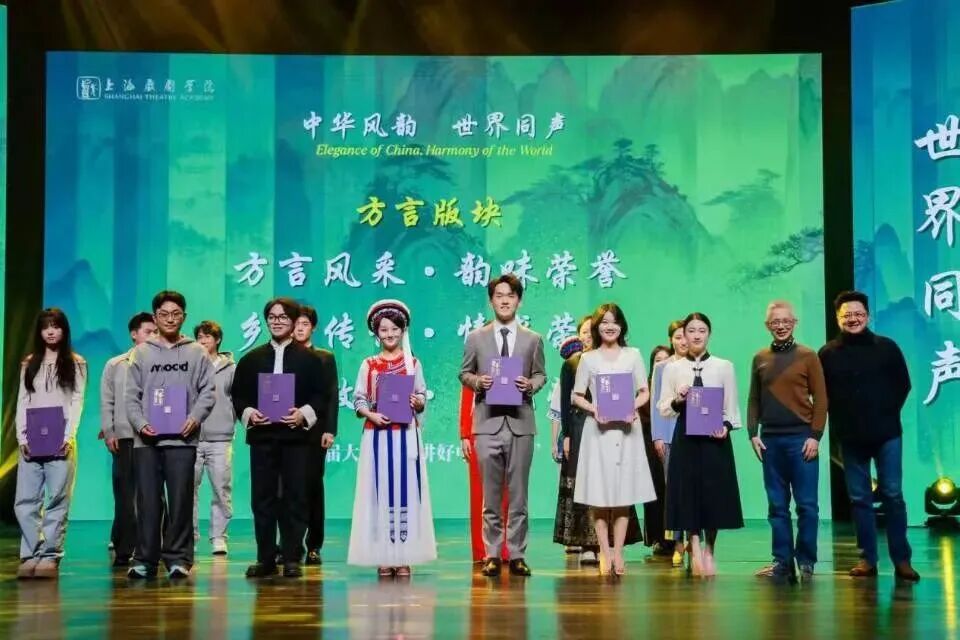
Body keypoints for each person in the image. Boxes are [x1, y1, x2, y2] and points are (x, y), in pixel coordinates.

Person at [818, 291, 919, 582]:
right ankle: (867, 559)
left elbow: (903, 385)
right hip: (850, 437)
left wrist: (886, 412)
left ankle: (902, 560)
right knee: (860, 498)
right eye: (847, 315)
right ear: (838, 318)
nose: (853, 319)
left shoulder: (887, 347)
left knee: (893, 495)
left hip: (887, 434)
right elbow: (822, 394)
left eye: (858, 314)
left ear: (868, 315)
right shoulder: (827, 354)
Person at [232, 297, 329, 579]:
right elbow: (238, 395)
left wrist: (303, 413)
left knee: (295, 497)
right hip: (262, 438)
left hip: (296, 439)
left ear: (294, 321)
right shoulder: (251, 359)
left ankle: (291, 557)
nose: (277, 321)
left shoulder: (311, 359)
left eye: (283, 317)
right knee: (262, 498)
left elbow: (321, 396)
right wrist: (249, 412)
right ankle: (265, 558)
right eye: (272, 317)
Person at [459, 274, 546, 577]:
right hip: (487, 423)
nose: (505, 300)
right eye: (499, 295)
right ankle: (492, 554)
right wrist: (478, 382)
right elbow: (464, 372)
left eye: (510, 295)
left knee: (519, 495)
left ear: (519, 300)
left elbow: (541, 375)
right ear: (491, 300)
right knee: (491, 495)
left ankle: (518, 554)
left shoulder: (533, 339)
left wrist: (530, 385)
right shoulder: (476, 337)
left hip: (521, 423)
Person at [125, 290, 216, 580]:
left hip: (182, 440)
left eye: (176, 314)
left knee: (180, 501)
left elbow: (208, 391)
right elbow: (131, 396)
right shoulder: (141, 353)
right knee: (148, 503)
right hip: (147, 442)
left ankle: (179, 559)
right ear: (155, 318)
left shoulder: (196, 352)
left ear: (184, 317)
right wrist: (140, 424)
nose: (170, 319)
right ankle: (145, 559)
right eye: (163, 314)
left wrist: (195, 418)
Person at [347, 300, 436, 576]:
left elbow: (421, 395)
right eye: (384, 329)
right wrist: (370, 414)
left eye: (394, 329)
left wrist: (417, 401)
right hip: (377, 437)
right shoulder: (369, 365)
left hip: (406, 436)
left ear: (403, 331)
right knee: (379, 491)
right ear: (376, 333)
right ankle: (382, 555)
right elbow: (359, 399)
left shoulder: (412, 363)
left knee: (406, 493)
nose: (389, 334)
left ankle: (404, 554)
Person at [571, 303, 657, 576]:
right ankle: (604, 552)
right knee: (598, 494)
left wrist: (633, 406)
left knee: (623, 493)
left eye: (615, 322)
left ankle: (618, 551)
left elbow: (644, 391)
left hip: (626, 430)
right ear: (597, 327)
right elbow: (576, 395)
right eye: (605, 322)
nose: (610, 327)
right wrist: (594, 409)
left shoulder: (633, 355)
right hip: (598, 432)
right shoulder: (588, 358)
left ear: (622, 326)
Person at [658, 312, 743, 577]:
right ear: (683, 335)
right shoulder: (672, 368)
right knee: (688, 492)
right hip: (686, 436)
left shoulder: (723, 366)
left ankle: (709, 549)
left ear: (709, 334)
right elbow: (663, 407)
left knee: (713, 493)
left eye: (701, 330)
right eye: (691, 331)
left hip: (714, 438)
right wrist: (678, 400)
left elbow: (731, 408)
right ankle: (694, 545)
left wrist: (726, 427)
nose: (696, 335)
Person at [748, 301, 827, 581]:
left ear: (794, 323)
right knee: (777, 506)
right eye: (775, 322)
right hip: (770, 441)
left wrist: (815, 436)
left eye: (785, 321)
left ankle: (806, 560)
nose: (780, 326)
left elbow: (821, 399)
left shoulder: (808, 356)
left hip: (802, 439)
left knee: (807, 505)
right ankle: (782, 561)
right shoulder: (760, 358)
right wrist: (752, 433)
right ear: (767, 326)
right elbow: (754, 398)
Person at [15, 308, 87, 579]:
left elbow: (77, 401)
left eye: (56, 326)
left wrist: (68, 436)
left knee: (57, 497)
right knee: (26, 500)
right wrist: (22, 437)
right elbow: (23, 401)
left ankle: (50, 555)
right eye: (46, 327)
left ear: (64, 330)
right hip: (31, 440)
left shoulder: (76, 363)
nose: (51, 331)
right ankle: (30, 554)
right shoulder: (29, 363)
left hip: (61, 439)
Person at [100, 311, 156, 567]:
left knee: (154, 495)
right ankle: (124, 548)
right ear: (134, 334)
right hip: (125, 437)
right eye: (148, 331)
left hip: (154, 437)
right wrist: (109, 431)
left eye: (155, 332)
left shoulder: (162, 361)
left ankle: (154, 546)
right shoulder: (116, 364)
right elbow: (107, 400)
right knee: (125, 494)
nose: (153, 336)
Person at [292, 305, 338, 565]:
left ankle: (313, 545)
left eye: (305, 324)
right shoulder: (283, 357)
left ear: (313, 328)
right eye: (296, 324)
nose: (299, 329)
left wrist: (330, 429)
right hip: (286, 431)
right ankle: (290, 544)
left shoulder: (324, 357)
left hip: (315, 432)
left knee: (312, 487)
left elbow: (332, 395)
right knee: (287, 489)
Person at [192, 320, 236, 556]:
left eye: (207, 336)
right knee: (187, 490)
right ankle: (189, 537)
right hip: (191, 437)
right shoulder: (191, 364)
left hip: (220, 438)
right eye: (199, 336)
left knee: (221, 489)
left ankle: (219, 537)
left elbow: (237, 399)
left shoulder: (231, 368)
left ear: (217, 339)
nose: (203, 340)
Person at [652, 320, 688, 567]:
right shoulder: (662, 368)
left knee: (693, 490)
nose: (683, 341)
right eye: (677, 337)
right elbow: (657, 402)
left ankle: (694, 541)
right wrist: (657, 436)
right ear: (671, 340)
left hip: (694, 434)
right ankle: (676, 543)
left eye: (685, 335)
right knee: (673, 492)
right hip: (668, 435)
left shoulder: (698, 364)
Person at [640, 345, 672, 557]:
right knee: (654, 493)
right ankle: (657, 538)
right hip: (650, 446)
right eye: (658, 360)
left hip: (672, 443)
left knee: (671, 493)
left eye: (666, 359)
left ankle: (674, 539)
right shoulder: (645, 389)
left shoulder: (674, 385)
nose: (662, 364)